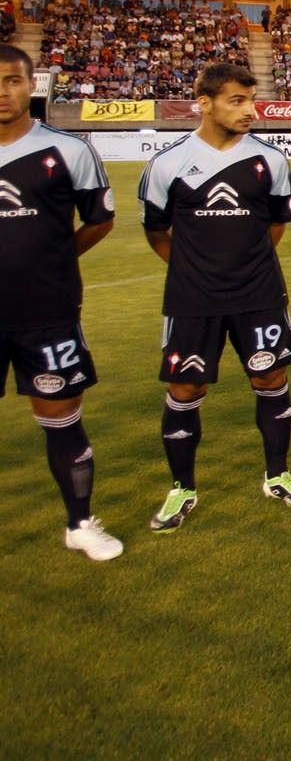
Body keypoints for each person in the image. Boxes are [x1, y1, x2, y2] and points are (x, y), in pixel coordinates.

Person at [141, 62, 291, 531]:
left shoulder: (270, 161)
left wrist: (245, 266)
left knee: (270, 378)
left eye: (250, 100)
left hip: (259, 295)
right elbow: (157, 232)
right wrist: (196, 271)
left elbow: (276, 225)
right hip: (192, 300)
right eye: (236, 101)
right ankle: (182, 487)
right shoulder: (168, 163)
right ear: (204, 103)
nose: (248, 110)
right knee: (185, 388)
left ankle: (277, 474)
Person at [0, 43, 122, 559]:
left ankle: (79, 523)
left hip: (46, 312)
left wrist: (55, 258)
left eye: (11, 80)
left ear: (33, 85)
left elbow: (100, 219)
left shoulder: (68, 150)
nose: (2, 91)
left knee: (61, 414)